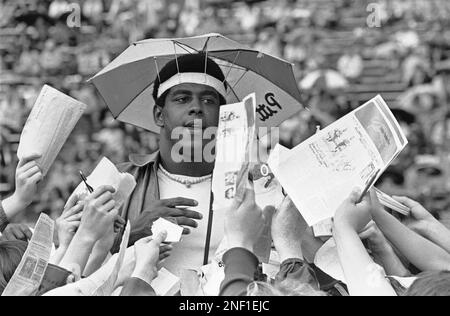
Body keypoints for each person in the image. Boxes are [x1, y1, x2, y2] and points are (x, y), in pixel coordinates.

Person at [114, 53, 229, 277]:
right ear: (159, 115)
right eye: (182, 99)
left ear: (223, 116)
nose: (196, 107)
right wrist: (132, 234)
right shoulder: (117, 181)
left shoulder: (251, 189)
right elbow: (75, 266)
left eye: (208, 100)